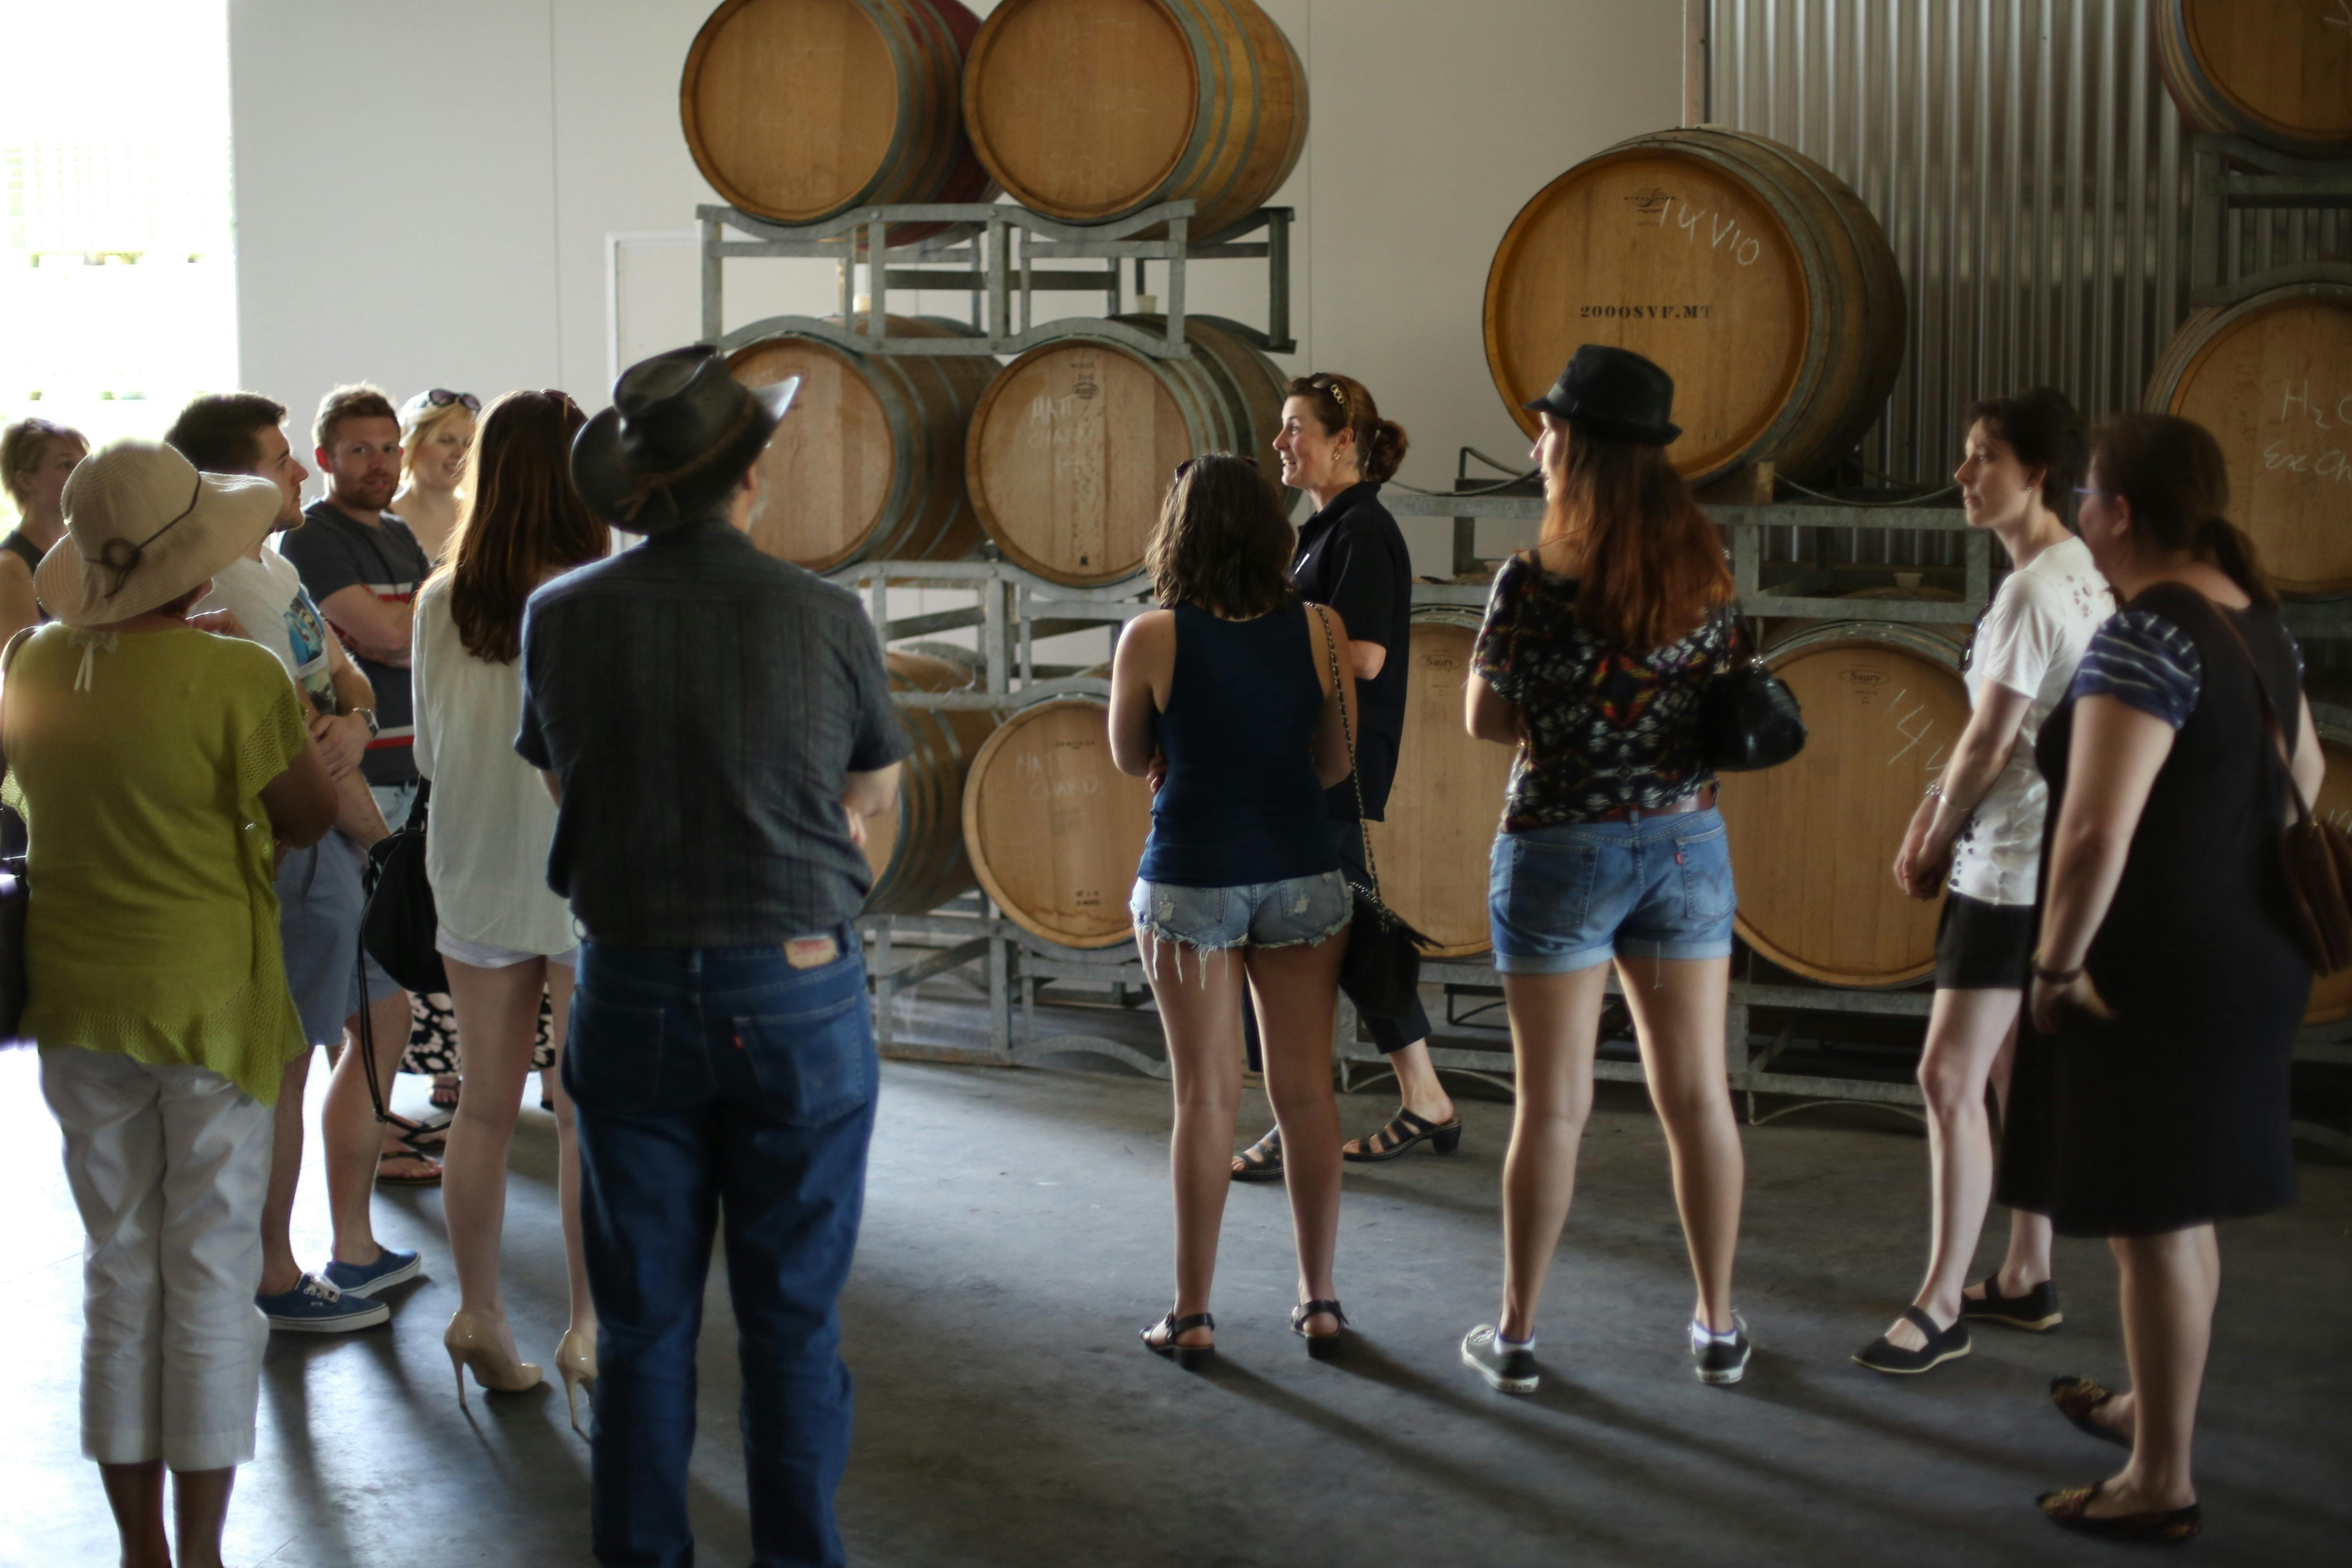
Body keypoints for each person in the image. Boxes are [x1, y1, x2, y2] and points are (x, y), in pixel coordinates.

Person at [521, 347, 904, 1567]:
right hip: (794, 981)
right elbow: (872, 787)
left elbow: (557, 773)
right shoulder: (824, 613)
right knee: (791, 1319)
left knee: (642, 1325)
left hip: (628, 980)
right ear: (753, 474)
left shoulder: (560, 615)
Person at [6, 438, 338, 1568]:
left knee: (118, 1267)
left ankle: (138, 1548)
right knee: (205, 1273)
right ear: (191, 563)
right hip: (211, 1007)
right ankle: (198, 1554)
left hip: (76, 999)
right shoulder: (236, 675)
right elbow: (300, 816)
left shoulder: (33, 664)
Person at [2000, 413, 2317, 1544]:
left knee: (2154, 1223)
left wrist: (2057, 966)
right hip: (2251, 953)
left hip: (2157, 970)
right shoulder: (2253, 617)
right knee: (2182, 1209)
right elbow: (2308, 778)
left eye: (2086, 494)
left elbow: (2091, 832)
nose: (2078, 511)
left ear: (2118, 513)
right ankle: (2150, 1404)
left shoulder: (2149, 635)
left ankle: (2159, 1478)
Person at [1457, 345, 1749, 1394]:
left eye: (1545, 428)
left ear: (1574, 447)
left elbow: (1483, 715)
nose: (1534, 443)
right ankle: (1715, 1325)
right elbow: (1720, 703)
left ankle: (1518, 1335)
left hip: (1558, 850)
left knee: (1551, 1107)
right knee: (1697, 1098)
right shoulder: (1704, 571)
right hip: (1681, 844)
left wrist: (1567, 718)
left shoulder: (1531, 581)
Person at [1854, 390, 2112, 1375]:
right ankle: (2024, 1272)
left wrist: (1928, 831)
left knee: (1945, 1076)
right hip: (2045, 858)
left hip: (2003, 867)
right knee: (2006, 1070)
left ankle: (1935, 1303)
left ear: (2034, 471)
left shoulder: (2026, 594)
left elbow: (1984, 744)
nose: (1962, 475)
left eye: (1981, 457)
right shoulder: (2080, 571)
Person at [167, 393, 432, 1336]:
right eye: (284, 460)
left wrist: (356, 714)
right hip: (294, 846)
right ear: (235, 483)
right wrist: (378, 840)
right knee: (282, 1065)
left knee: (368, 1022)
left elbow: (347, 685)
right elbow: (302, 744)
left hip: (325, 843)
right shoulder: (228, 590)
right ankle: (277, 1270)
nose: (299, 474)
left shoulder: (268, 568)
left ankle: (346, 1245)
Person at [1112, 453, 1360, 1368]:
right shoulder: (1322, 628)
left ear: (1180, 532)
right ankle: (1321, 1299)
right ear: (1273, 531)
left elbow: (1129, 754)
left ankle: (1193, 1313)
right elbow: (1335, 765)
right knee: (1305, 1091)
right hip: (1302, 871)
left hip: (1189, 876)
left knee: (1206, 1094)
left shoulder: (1151, 636)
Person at [412, 389, 604, 1425]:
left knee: (481, 1106)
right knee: (583, 1112)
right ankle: (586, 1324)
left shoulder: (440, 596)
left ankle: (480, 1310)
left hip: (472, 866)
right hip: (580, 875)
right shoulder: (597, 592)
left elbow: (435, 755)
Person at [1229, 372, 1458, 1185]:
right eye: (1282, 428)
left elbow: (1361, 655)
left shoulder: (1363, 530)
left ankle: (1303, 1123)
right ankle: (1424, 1098)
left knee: (1305, 947)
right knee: (1351, 936)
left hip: (1332, 762)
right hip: (1315, 758)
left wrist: (1250, 637)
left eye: (1296, 429)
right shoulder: (1326, 528)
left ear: (1344, 441)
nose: (1281, 444)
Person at [1, 416, 87, 640]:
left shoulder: (86, 553)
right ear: (25, 481)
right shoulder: (9, 570)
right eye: (67, 465)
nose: (83, 474)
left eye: (85, 464)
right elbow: (21, 671)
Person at [392, 388, 478, 559]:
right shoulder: (382, 520)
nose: (460, 453)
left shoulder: (483, 517)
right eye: (446, 441)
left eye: (468, 444)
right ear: (413, 446)